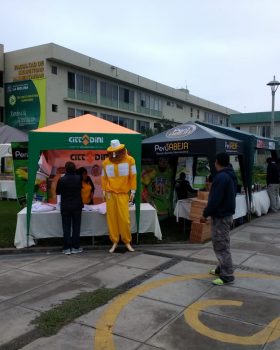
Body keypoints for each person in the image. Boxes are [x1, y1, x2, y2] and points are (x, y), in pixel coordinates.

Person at [200, 152, 237, 286]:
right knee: (222, 243)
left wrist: (204, 214)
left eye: (215, 161)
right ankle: (221, 268)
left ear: (217, 162)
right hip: (225, 215)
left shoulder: (221, 177)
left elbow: (215, 200)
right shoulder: (230, 174)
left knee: (221, 245)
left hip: (221, 217)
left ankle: (227, 275)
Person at [101, 139, 137, 253]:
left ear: (121, 149)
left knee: (124, 219)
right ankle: (115, 241)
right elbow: (104, 177)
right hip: (110, 194)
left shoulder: (130, 160)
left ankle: (127, 241)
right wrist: (103, 190)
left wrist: (133, 191)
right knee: (111, 219)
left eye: (116, 150)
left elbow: (133, 176)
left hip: (123, 194)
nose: (114, 153)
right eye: (112, 151)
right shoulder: (106, 162)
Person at [56, 161, 83, 255]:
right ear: (74, 169)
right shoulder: (79, 178)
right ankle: (76, 247)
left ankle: (66, 247)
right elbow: (80, 188)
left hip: (65, 206)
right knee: (76, 227)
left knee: (66, 227)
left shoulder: (61, 179)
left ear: (65, 169)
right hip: (77, 206)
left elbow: (58, 192)